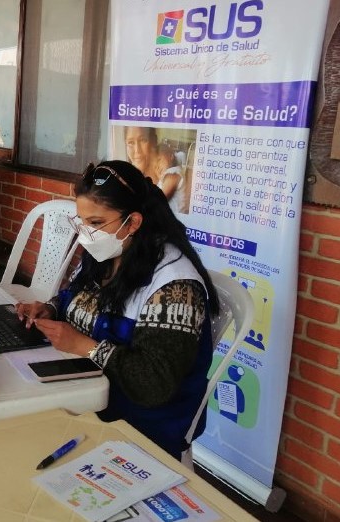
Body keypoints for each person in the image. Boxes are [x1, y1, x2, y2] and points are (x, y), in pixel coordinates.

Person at [15, 160, 219, 459]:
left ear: (133, 222)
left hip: (141, 426)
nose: (86, 233)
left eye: (96, 223)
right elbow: (76, 299)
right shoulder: (107, 253)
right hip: (86, 395)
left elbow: (155, 384)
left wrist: (86, 347)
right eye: (82, 221)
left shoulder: (175, 287)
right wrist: (51, 309)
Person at [123, 126, 187, 214]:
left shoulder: (173, 173)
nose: (137, 150)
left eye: (143, 140)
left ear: (154, 141)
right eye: (130, 142)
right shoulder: (126, 178)